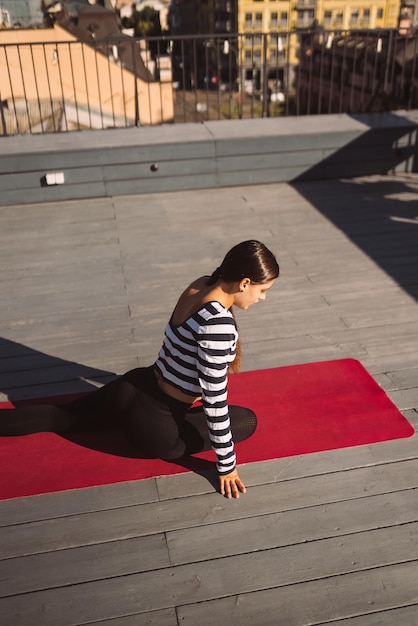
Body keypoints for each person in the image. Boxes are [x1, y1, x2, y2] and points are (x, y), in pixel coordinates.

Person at [0, 240, 279, 498]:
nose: (262, 298)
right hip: (156, 428)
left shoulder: (200, 284)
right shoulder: (219, 324)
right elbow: (215, 401)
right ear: (244, 283)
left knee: (58, 416)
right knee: (246, 420)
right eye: (263, 290)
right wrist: (227, 467)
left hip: (133, 387)